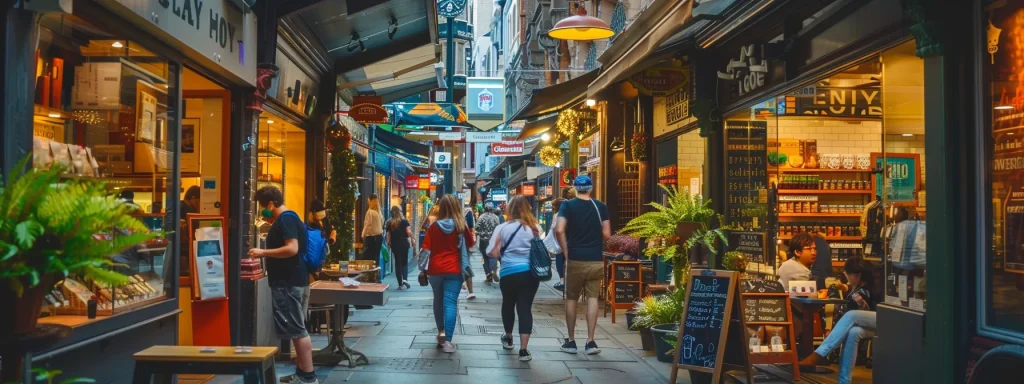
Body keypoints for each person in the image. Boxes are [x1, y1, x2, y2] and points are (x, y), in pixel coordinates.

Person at [248, 186, 317, 384]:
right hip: (296, 280)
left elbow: (292, 248)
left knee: (297, 329)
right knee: (298, 327)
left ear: (270, 204)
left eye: (263, 208)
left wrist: (263, 253)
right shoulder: (291, 217)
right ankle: (302, 372)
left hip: (288, 283)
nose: (263, 212)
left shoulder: (285, 219)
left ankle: (309, 377)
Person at [554, 175, 610, 355]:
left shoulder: (567, 206)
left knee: (572, 299)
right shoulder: (600, 206)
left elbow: (559, 229)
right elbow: (607, 234)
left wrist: (566, 251)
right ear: (591, 189)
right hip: (595, 258)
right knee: (592, 299)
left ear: (575, 189)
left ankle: (571, 342)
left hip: (575, 259)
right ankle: (590, 341)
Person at [799, 258, 877, 384]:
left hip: (885, 320)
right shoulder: (864, 288)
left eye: (847, 273)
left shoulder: (863, 292)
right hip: (874, 322)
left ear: (857, 275)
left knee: (851, 315)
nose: (845, 276)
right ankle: (844, 381)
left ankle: (820, 353)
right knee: (854, 332)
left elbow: (865, 306)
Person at [486, 195, 544, 361]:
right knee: (525, 308)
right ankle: (524, 350)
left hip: (509, 272)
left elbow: (492, 251)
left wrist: (503, 253)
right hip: (530, 273)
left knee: (508, 304)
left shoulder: (503, 228)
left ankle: (509, 337)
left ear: (509, 209)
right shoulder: (533, 228)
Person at [421, 195, 475, 353]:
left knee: (438, 302)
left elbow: (426, 251)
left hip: (435, 270)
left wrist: (422, 269)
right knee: (450, 303)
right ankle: (448, 341)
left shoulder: (433, 227)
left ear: (441, 208)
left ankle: (441, 333)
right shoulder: (460, 226)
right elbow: (470, 245)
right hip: (454, 270)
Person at [386, 206, 414, 290]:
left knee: (397, 263)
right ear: (400, 212)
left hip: (395, 244)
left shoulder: (389, 223)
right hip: (404, 243)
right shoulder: (405, 221)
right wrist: (412, 238)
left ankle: (400, 284)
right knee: (404, 262)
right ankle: (405, 279)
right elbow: (408, 232)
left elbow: (388, 235)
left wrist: (388, 243)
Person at [476, 203, 502, 284]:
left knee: (484, 258)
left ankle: (488, 275)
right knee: (493, 256)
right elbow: (499, 228)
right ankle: (493, 270)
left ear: (485, 208)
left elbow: (476, 227)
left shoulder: (482, 217)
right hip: (494, 240)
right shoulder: (496, 217)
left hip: (484, 241)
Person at [548, 198, 566, 291]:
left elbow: (554, 228)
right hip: (571, 241)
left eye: (554, 206)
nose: (553, 207)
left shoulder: (557, 215)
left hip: (560, 241)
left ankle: (562, 281)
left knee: (560, 260)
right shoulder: (570, 213)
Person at [361, 194, 384, 261]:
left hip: (371, 238)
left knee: (368, 258)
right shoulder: (379, 213)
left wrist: (362, 235)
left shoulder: (370, 212)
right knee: (376, 258)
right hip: (379, 237)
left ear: (371, 201)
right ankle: (376, 271)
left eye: (368, 201)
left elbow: (367, 224)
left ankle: (369, 271)